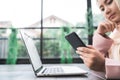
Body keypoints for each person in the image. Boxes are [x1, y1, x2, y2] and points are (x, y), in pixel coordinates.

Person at [76, 0, 120, 79]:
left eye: (109, 2)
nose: (106, 11)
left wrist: (103, 65)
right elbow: (98, 74)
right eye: (102, 9)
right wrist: (99, 35)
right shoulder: (113, 36)